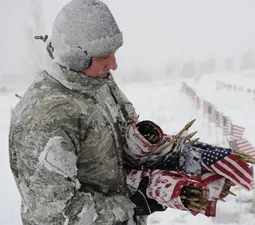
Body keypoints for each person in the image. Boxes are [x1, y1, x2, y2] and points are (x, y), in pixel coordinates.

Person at [9, 0, 169, 224]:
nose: (113, 65)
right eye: (104, 56)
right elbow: (56, 214)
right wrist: (130, 205)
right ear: (75, 56)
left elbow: (120, 139)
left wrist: (161, 156)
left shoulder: (95, 82)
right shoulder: (44, 116)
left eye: (113, 53)